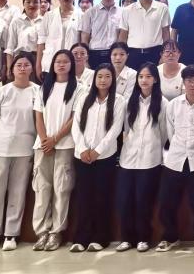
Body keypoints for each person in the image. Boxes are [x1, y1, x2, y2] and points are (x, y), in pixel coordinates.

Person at [157, 64, 194, 253]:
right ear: (183, 82)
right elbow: (170, 131)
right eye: (189, 80)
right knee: (167, 201)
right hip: (175, 160)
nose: (192, 84)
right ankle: (170, 237)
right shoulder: (174, 105)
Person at [0, 52, 38, 251]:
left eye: (26, 65)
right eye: (18, 65)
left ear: (32, 68)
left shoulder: (37, 92)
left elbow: (39, 121)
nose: (22, 68)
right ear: (12, 69)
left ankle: (11, 235)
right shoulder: (2, 91)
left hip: (24, 149)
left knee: (18, 193)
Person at [69, 63, 125, 252]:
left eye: (107, 76)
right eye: (100, 76)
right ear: (94, 79)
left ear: (113, 79)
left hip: (105, 157)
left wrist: (97, 151)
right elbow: (76, 126)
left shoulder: (118, 100)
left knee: (102, 198)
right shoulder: (84, 98)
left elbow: (115, 129)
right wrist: (83, 149)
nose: (103, 80)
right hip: (82, 156)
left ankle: (101, 238)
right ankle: (81, 238)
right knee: (83, 198)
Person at [116, 62, 168, 253]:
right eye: (141, 76)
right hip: (128, 159)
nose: (144, 80)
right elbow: (125, 129)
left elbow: (164, 133)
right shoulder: (129, 102)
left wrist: (157, 151)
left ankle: (144, 238)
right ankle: (126, 238)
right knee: (125, 201)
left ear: (155, 79)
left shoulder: (163, 103)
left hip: (150, 160)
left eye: (148, 76)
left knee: (143, 201)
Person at [31, 49, 77, 252]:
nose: (61, 64)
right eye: (58, 61)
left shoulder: (78, 88)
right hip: (42, 146)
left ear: (71, 65)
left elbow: (74, 118)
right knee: (42, 188)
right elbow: (38, 116)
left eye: (66, 61)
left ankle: (56, 231)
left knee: (61, 188)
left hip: (65, 145)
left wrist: (55, 139)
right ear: (53, 64)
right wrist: (45, 140)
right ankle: (42, 231)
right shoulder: (44, 87)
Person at [117, 0, 171, 70]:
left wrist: (164, 55)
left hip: (155, 53)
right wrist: (121, 56)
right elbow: (123, 37)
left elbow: (166, 35)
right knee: (133, 79)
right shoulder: (127, 10)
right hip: (133, 54)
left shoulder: (162, 8)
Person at [37, 0, 80, 77]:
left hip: (72, 62)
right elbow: (41, 41)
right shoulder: (49, 15)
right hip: (50, 61)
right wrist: (38, 65)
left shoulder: (81, 16)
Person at [79, 0, 120, 68]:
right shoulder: (90, 12)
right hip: (94, 55)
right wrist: (85, 60)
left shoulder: (122, 12)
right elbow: (84, 38)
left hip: (114, 56)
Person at [4, 0, 42, 79]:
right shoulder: (16, 21)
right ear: (23, 4)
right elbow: (10, 47)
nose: (32, 5)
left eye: (35, 2)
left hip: (39, 60)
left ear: (40, 4)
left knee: (36, 87)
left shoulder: (44, 21)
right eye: (28, 2)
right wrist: (9, 67)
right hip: (20, 60)